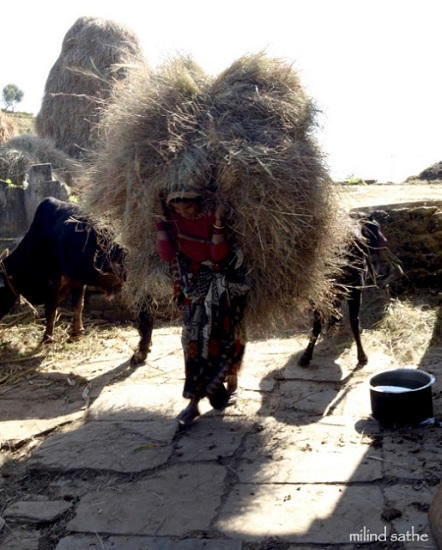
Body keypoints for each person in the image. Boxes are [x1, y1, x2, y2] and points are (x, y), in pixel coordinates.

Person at [155, 188, 250, 426]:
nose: (183, 212)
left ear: (200, 201)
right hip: (191, 290)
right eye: (177, 209)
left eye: (188, 207)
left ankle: (231, 381)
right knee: (192, 342)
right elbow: (167, 256)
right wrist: (160, 226)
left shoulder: (213, 216)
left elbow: (218, 256)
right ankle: (194, 401)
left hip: (222, 287)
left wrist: (217, 222)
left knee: (228, 338)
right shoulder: (172, 220)